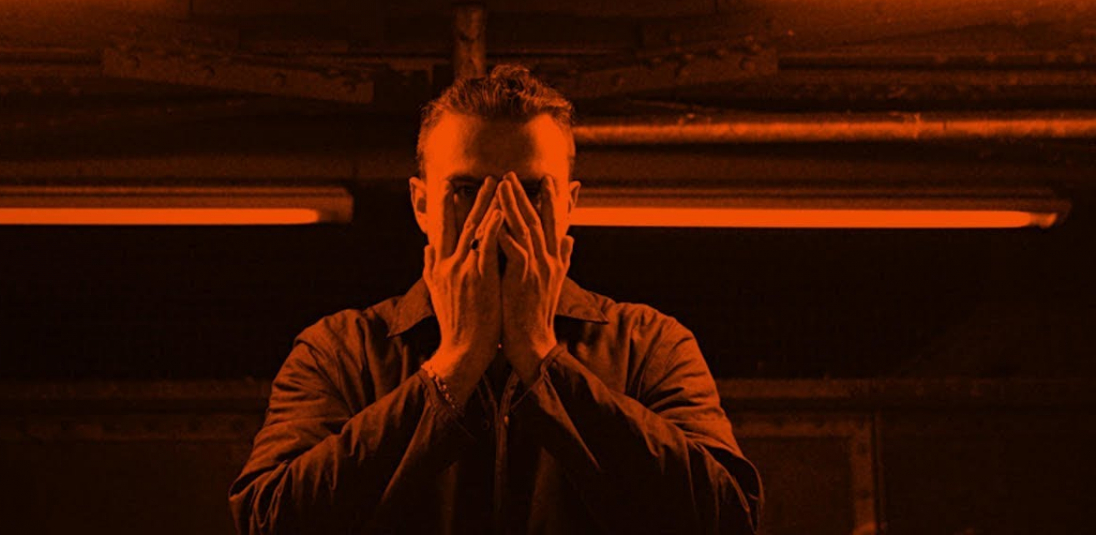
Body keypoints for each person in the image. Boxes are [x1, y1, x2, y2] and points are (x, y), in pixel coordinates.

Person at [229, 64, 762, 534]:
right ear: (421, 205)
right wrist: (452, 367)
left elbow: (726, 519)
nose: (498, 217)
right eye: (467, 191)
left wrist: (544, 361)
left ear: (568, 205)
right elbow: (270, 521)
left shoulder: (649, 345)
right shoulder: (339, 351)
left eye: (530, 193)